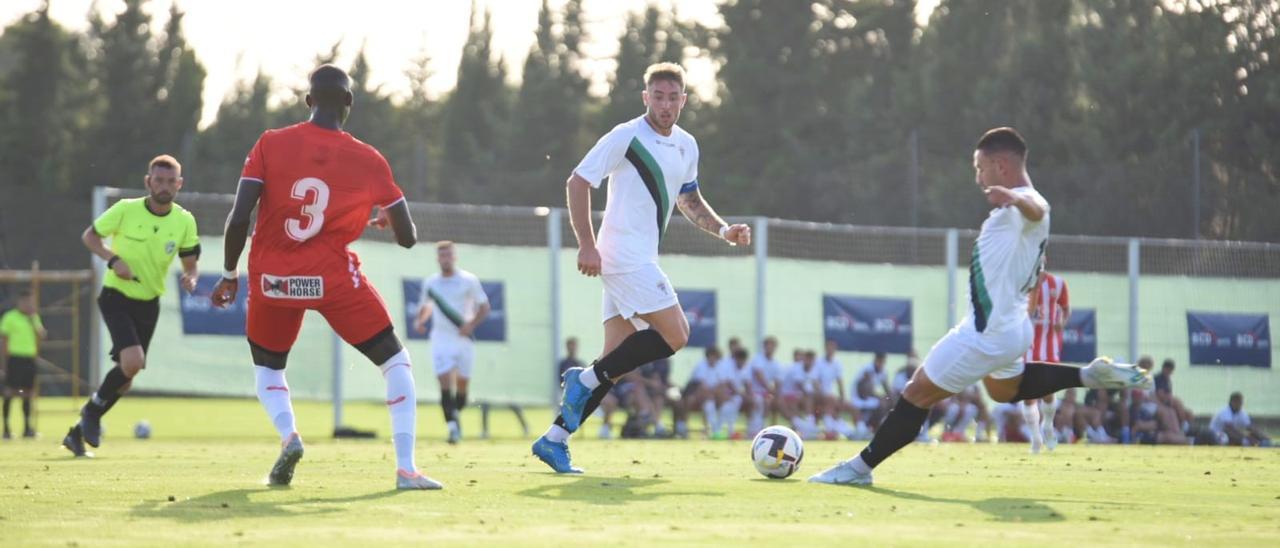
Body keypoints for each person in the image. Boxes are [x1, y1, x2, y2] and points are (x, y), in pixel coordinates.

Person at [810, 128, 1151, 486]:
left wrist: (1015, 200)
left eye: (980, 167)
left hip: (986, 333)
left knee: (915, 394)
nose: (978, 177)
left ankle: (857, 470)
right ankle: (1086, 375)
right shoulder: (1021, 209)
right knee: (1003, 391)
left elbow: (1036, 210)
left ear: (1000, 164)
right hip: (1012, 328)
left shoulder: (1025, 202)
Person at [209, 65, 440, 490]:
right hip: (332, 279)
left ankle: (290, 436)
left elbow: (239, 217)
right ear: (349, 103)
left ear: (308, 101)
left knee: (268, 369)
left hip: (273, 279)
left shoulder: (270, 143)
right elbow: (409, 238)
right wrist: (389, 220)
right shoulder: (369, 159)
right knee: (395, 361)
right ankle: (406, 468)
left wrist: (228, 274)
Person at [531, 62, 751, 473]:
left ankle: (554, 439)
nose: (665, 105)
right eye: (658, 96)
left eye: (673, 98)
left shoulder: (687, 145)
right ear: (645, 97)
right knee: (676, 334)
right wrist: (587, 245)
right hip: (621, 257)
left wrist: (724, 231)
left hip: (638, 258)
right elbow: (578, 182)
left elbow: (689, 200)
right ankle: (583, 381)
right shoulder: (627, 135)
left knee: (614, 362)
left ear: (683, 101)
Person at [62, 155, 200, 458]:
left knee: (125, 380)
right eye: (158, 180)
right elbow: (90, 237)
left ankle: (76, 432)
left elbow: (190, 263)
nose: (164, 186)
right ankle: (92, 415)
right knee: (133, 362)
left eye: (170, 181)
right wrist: (113, 260)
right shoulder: (125, 210)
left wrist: (190, 278)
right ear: (148, 181)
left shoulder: (184, 220)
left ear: (179, 184)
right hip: (116, 297)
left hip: (149, 303)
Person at [413, 241, 491, 445]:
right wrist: (420, 321)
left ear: (454, 257)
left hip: (463, 339)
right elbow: (427, 305)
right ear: (438, 258)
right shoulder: (431, 283)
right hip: (441, 338)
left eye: (449, 255)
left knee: (462, 386)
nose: (445, 259)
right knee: (444, 380)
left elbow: (484, 308)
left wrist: (470, 325)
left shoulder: (468, 280)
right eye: (442, 255)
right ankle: (453, 428)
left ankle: (454, 414)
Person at [1021, 265, 1069, 453]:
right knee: (1028, 396)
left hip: (1050, 347)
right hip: (1026, 346)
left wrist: (1062, 322)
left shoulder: (1057, 283)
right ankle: (1035, 437)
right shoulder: (1021, 282)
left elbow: (1065, 308)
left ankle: (1048, 426)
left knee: (1048, 392)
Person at [2, 290, 46, 439]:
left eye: (30, 302)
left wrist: (34, 320)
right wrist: (4, 362)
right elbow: (4, 340)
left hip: (29, 359)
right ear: (19, 302)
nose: (28, 305)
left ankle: (27, 429)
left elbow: (42, 335)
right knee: (10, 392)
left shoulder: (33, 318)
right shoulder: (10, 317)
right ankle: (6, 429)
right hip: (15, 359)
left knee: (28, 392)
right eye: (25, 302)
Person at [816, 339, 856, 439]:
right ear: (825, 348)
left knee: (852, 407)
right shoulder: (818, 362)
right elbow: (815, 382)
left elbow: (839, 382)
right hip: (817, 395)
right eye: (829, 346)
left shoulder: (837, 364)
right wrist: (822, 394)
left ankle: (858, 431)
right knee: (831, 399)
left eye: (833, 347)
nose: (830, 349)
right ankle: (830, 428)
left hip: (830, 396)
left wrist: (842, 398)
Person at [745, 336, 782, 435]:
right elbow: (759, 376)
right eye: (768, 345)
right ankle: (753, 431)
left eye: (772, 346)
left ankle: (771, 431)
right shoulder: (757, 359)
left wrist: (776, 394)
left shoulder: (776, 363)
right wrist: (771, 390)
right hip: (754, 392)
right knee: (759, 401)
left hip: (766, 393)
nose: (770, 348)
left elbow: (778, 381)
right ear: (764, 347)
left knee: (772, 401)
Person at [851, 352, 891, 434]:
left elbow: (887, 390)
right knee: (881, 404)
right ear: (875, 360)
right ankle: (871, 427)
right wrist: (881, 397)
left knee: (888, 403)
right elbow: (865, 391)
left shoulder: (883, 372)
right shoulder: (867, 370)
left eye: (882, 362)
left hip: (869, 398)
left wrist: (892, 399)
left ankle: (880, 428)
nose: (880, 364)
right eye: (879, 361)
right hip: (858, 397)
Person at [1152, 358, 1193, 432]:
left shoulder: (1168, 380)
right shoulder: (1158, 378)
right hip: (1159, 403)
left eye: (1171, 371)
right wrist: (1170, 399)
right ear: (1164, 368)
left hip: (1168, 401)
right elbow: (1160, 395)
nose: (1170, 372)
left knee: (1189, 413)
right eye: (1169, 370)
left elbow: (1169, 394)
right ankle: (1182, 427)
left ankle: (1186, 429)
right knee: (1177, 402)